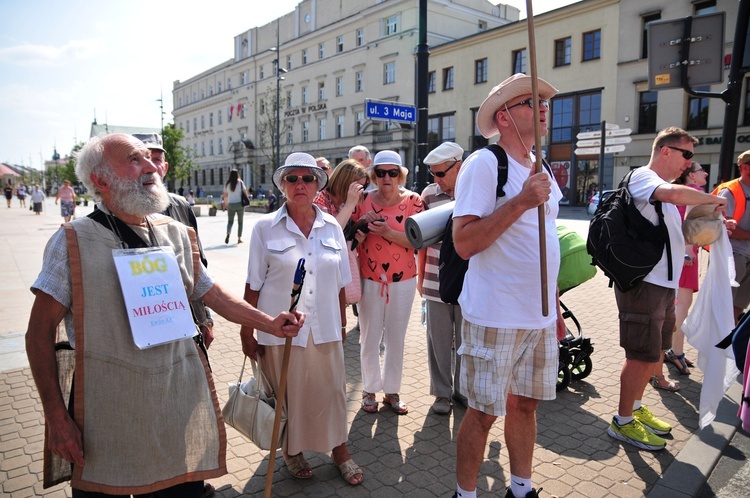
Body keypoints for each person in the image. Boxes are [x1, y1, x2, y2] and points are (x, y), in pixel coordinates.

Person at [25, 133, 303, 497]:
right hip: (107, 413)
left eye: (150, 159)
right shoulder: (73, 241)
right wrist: (57, 417)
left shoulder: (175, 234)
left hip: (175, 401)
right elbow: (38, 333)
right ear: (100, 179)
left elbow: (213, 293)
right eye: (135, 159)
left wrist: (268, 322)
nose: (152, 167)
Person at [450, 74, 564, 498]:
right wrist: (520, 201)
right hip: (495, 313)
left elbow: (544, 241)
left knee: (527, 403)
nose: (544, 107)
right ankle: (466, 494)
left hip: (537, 315)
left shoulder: (542, 166)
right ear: (504, 116)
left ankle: (521, 489)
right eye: (531, 101)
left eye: (546, 102)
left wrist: (552, 305)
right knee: (482, 414)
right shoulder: (485, 164)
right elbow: (464, 243)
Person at [241, 152, 363, 486]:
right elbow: (253, 284)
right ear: (282, 185)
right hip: (279, 331)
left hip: (325, 328)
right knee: (289, 396)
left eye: (307, 178)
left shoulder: (332, 228)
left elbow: (340, 284)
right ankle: (291, 451)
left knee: (332, 391)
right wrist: (246, 331)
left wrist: (341, 326)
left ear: (317, 184)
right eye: (292, 178)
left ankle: (340, 450)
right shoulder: (264, 228)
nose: (300, 184)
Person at [608, 127, 726, 453]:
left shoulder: (662, 188)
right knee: (640, 356)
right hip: (645, 285)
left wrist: (712, 223)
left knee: (654, 353)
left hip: (663, 285)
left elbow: (680, 235)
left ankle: (635, 406)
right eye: (686, 155)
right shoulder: (644, 178)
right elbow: (674, 196)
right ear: (665, 151)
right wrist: (714, 197)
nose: (689, 164)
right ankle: (622, 421)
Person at [352, 150, 424, 415]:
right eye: (380, 172)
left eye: (392, 172)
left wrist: (388, 233)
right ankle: (369, 388)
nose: (386, 178)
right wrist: (361, 229)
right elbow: (350, 237)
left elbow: (419, 241)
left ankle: (392, 391)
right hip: (370, 279)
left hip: (403, 279)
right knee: (369, 337)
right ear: (374, 175)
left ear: (400, 175)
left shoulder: (414, 202)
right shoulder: (362, 201)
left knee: (396, 338)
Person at [417, 141, 466, 415]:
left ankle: (462, 390)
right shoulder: (429, 195)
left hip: (469, 283)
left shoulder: (477, 191)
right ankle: (441, 394)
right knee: (438, 339)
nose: (436, 180)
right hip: (435, 280)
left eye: (440, 173)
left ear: (458, 167)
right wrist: (420, 277)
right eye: (432, 174)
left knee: (466, 341)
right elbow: (420, 241)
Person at [661, 161, 709, 380]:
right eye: (701, 171)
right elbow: (691, 225)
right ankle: (674, 351)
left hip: (679, 255)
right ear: (691, 176)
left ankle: (673, 349)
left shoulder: (679, 193)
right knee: (682, 307)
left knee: (677, 305)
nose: (705, 173)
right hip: (687, 257)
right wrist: (690, 251)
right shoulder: (694, 193)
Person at [313, 159, 373, 307]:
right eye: (357, 186)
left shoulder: (341, 202)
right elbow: (330, 234)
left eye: (364, 186)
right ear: (344, 182)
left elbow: (342, 234)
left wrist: (360, 229)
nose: (361, 191)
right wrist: (350, 204)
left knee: (340, 324)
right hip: (321, 278)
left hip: (337, 275)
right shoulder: (320, 199)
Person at [717, 150, 750, 323]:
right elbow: (724, 226)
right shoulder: (729, 191)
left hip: (747, 254)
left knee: (740, 304)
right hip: (733, 254)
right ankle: (721, 343)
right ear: (745, 167)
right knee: (726, 302)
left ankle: (732, 341)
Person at [222, 169, 249, 244]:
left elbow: (225, 196)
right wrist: (246, 201)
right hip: (240, 204)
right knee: (240, 222)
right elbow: (245, 192)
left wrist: (226, 205)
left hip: (231, 204)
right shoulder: (240, 183)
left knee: (230, 221)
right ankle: (239, 238)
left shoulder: (227, 184)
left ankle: (228, 233)